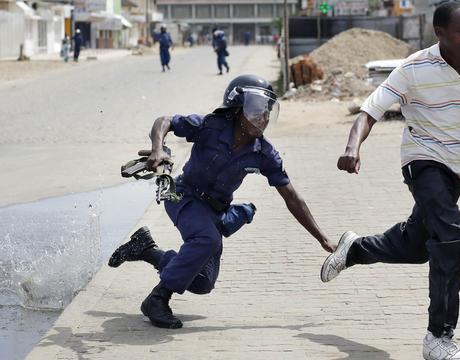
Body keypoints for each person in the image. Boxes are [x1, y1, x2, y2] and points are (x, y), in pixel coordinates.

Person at [320, 2, 460, 359]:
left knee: (418, 245)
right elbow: (371, 109)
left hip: (458, 167)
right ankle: (439, 338)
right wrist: (352, 147)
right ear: (440, 34)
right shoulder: (415, 67)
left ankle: (354, 249)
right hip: (422, 161)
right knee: (452, 236)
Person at [108, 74, 336, 329]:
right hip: (182, 195)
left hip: (213, 211)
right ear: (238, 109)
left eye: (268, 112)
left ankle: (146, 249)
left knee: (202, 282)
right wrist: (158, 148)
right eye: (257, 109)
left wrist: (322, 238)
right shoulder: (210, 126)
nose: (263, 117)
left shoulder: (265, 153)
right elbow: (165, 121)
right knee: (207, 239)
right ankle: (157, 299)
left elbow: (292, 197)